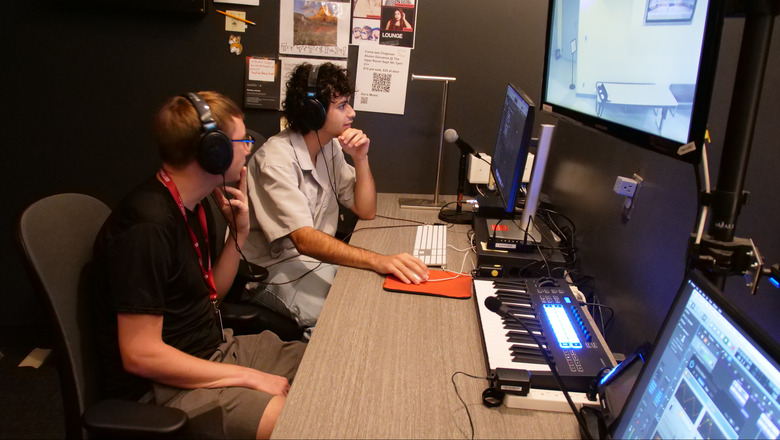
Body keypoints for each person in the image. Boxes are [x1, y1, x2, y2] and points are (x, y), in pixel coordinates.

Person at [91, 91, 306, 439]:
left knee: (327, 365)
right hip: (164, 390)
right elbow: (139, 354)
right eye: (243, 140)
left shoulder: (194, 206)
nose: (249, 148)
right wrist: (249, 377)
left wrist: (240, 232)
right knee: (301, 421)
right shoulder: (148, 226)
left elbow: (211, 297)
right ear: (213, 150)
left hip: (212, 353)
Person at [243, 62, 429, 334]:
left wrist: (361, 158)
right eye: (342, 106)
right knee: (343, 321)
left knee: (369, 296)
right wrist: (378, 259)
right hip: (273, 272)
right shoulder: (276, 161)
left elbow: (365, 210)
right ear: (313, 112)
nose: (352, 113)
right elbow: (304, 240)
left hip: (317, 260)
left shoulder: (328, 145)